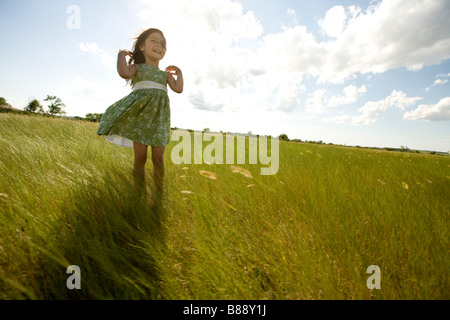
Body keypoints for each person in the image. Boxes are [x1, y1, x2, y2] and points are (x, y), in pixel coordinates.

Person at [97, 28, 183, 202]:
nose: (159, 44)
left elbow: (178, 89)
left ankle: (158, 194)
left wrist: (179, 74)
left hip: (159, 120)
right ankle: (138, 193)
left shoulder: (165, 75)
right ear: (142, 47)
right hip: (140, 119)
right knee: (140, 158)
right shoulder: (136, 68)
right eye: (154, 40)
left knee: (158, 159)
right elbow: (123, 73)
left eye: (162, 43)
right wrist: (121, 54)